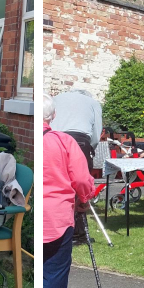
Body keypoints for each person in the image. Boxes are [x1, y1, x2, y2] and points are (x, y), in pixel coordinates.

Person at [41, 95, 97, 288]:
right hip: (56, 216)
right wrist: (84, 200)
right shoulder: (63, 141)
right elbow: (83, 180)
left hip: (36, 213)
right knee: (54, 271)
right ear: (52, 116)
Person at [51, 87, 103, 236]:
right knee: (80, 185)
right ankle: (77, 229)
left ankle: (59, 227)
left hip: (54, 140)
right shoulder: (93, 103)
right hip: (79, 141)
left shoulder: (57, 98)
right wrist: (90, 149)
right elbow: (96, 133)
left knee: (58, 183)